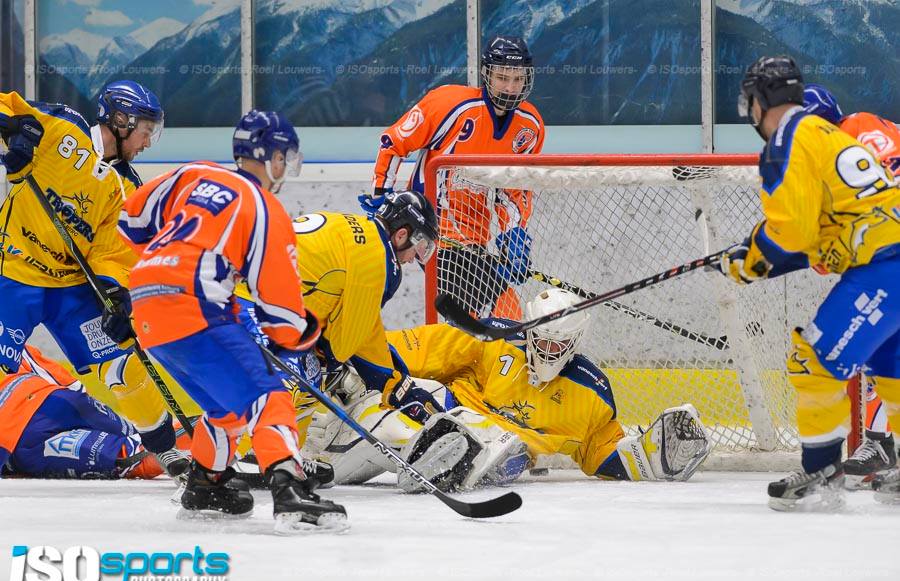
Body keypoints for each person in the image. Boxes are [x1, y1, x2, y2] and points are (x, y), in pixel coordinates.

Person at [119, 109, 348, 534]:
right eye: (284, 157)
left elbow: (131, 222)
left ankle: (207, 482)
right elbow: (281, 313)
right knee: (268, 395)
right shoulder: (265, 208)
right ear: (271, 156)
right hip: (193, 306)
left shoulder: (194, 174)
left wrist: (168, 271)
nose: (285, 168)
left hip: (146, 306)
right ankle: (290, 487)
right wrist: (302, 332)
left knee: (225, 407)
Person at [718, 56, 900, 510]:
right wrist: (758, 256)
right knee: (893, 372)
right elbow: (817, 241)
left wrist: (752, 260)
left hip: (886, 266)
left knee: (813, 362)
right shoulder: (828, 135)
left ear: (761, 101)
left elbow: (791, 234)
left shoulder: (788, 139)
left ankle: (822, 472)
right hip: (887, 257)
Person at [307, 288, 711, 490]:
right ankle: (321, 441)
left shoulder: (593, 391)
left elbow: (600, 451)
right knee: (405, 391)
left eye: (560, 345)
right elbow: (418, 347)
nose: (550, 351)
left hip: (501, 456)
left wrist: (655, 455)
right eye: (544, 340)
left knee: (510, 449)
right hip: (442, 420)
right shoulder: (495, 339)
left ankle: (347, 446)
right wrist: (352, 354)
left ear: (576, 343)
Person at [0, 83, 187, 479]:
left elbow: (112, 252)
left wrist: (118, 297)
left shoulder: (126, 188)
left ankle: (166, 450)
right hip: (13, 271)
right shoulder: (60, 126)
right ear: (121, 121)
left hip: (70, 287)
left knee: (121, 364)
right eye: (145, 130)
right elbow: (7, 109)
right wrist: (12, 133)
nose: (148, 142)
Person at [236, 190, 443, 444]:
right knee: (296, 381)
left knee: (309, 372)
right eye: (420, 247)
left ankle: (287, 457)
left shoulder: (357, 231)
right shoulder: (377, 261)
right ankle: (252, 455)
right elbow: (346, 344)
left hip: (237, 293)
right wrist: (389, 383)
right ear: (401, 235)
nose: (415, 259)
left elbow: (358, 325)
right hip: (245, 304)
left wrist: (394, 381)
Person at [365, 35, 545, 320]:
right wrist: (381, 198)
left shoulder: (529, 126)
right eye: (502, 78)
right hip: (432, 230)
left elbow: (512, 192)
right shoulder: (448, 104)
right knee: (500, 313)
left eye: (517, 79)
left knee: (487, 320)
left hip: (475, 240)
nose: (510, 88)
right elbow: (393, 143)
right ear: (486, 74)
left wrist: (514, 234)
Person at [802, 83, 899, 489]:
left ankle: (874, 445)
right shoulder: (864, 127)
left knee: (822, 359)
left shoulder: (845, 147)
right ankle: (880, 442)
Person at [0, 345, 165, 480]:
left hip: (21, 444)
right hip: (52, 400)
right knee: (148, 437)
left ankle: (181, 447)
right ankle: (185, 437)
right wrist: (77, 397)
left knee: (131, 455)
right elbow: (26, 355)